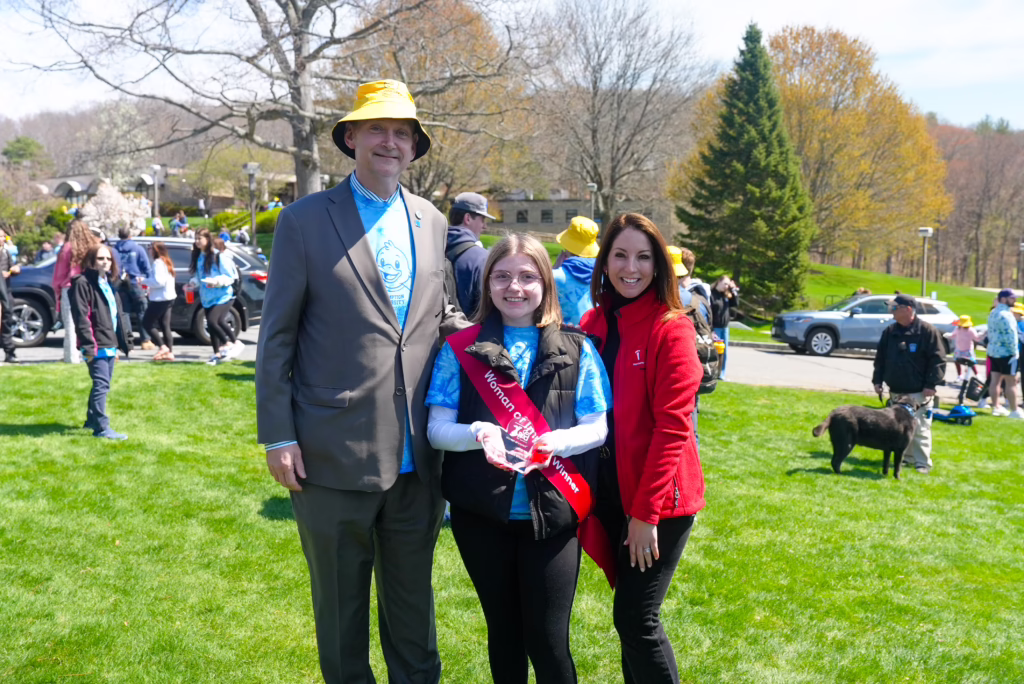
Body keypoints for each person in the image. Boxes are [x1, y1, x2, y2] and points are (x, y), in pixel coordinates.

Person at [255, 78, 467, 684]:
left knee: (413, 612)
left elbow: (443, 315)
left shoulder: (431, 219)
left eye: (403, 133)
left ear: (414, 146)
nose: (390, 143)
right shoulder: (303, 221)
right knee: (343, 618)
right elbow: (278, 339)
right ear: (351, 137)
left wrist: (500, 339)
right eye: (378, 129)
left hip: (418, 459)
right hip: (330, 454)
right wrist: (278, 437)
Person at [426, 234, 610, 684]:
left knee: (548, 642)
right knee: (504, 635)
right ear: (488, 285)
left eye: (528, 277)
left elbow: (598, 427)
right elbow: (436, 430)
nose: (515, 287)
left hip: (553, 517)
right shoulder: (460, 348)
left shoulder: (578, 348)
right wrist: (479, 432)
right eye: (503, 276)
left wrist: (559, 443)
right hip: (482, 516)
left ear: (546, 284)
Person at [580, 213, 705, 684]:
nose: (630, 267)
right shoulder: (592, 322)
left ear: (659, 266)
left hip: (658, 503)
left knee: (637, 619)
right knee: (629, 621)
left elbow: (673, 429)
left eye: (643, 257)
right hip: (609, 493)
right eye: (620, 255)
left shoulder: (671, 329)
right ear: (604, 260)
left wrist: (646, 514)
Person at [871, 294, 946, 473]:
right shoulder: (890, 332)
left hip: (919, 391)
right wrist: (877, 380)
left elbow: (938, 360)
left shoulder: (927, 331)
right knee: (899, 428)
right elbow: (880, 358)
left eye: (895, 308)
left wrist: (931, 384)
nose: (891, 311)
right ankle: (906, 457)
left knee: (920, 427)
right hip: (896, 390)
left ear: (908, 310)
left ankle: (922, 462)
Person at [69, 244, 132, 440]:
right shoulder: (82, 283)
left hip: (109, 341)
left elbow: (116, 315)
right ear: (91, 261)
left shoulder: (108, 283)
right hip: (95, 344)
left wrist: (121, 342)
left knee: (102, 383)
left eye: (108, 259)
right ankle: (102, 428)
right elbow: (82, 317)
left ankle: (91, 421)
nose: (105, 262)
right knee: (101, 384)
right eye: (100, 259)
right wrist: (89, 346)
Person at [189, 229, 242, 365]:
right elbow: (199, 276)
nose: (197, 241)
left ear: (207, 239)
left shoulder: (219, 256)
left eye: (199, 238)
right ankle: (217, 354)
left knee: (213, 321)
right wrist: (193, 283)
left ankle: (230, 343)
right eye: (195, 238)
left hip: (222, 295)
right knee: (212, 327)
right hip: (207, 298)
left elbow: (230, 276)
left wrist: (217, 282)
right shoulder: (199, 257)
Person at [51, 220, 100, 364]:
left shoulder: (67, 248)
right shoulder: (93, 247)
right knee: (89, 321)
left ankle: (71, 357)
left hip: (70, 286)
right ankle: (92, 354)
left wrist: (57, 290)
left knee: (71, 325)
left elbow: (59, 273)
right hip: (90, 286)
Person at [446, 191, 494, 315]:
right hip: (467, 332)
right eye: (482, 219)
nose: (485, 226)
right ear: (467, 218)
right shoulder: (481, 258)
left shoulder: (428, 248)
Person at [551, 216, 599, 326]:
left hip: (564, 337)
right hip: (596, 337)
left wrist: (554, 269)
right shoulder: (604, 274)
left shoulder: (556, 276)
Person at [114, 226, 155, 350]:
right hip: (135, 282)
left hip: (119, 283)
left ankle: (127, 341)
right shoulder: (137, 248)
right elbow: (147, 268)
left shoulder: (114, 250)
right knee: (142, 309)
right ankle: (145, 340)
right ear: (130, 235)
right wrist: (148, 279)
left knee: (123, 312)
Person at [985, 289, 1022, 418]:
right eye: (1012, 298)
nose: (1014, 300)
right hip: (1007, 353)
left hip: (993, 352)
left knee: (995, 380)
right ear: (1004, 299)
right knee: (1011, 382)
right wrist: (1014, 353)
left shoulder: (993, 312)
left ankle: (996, 407)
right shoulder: (1007, 315)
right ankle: (1014, 410)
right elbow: (1011, 336)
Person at [142, 241, 177, 361]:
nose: (149, 250)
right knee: (165, 325)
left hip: (160, 299)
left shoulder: (157, 263)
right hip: (169, 297)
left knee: (147, 323)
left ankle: (163, 347)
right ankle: (170, 352)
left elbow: (159, 282)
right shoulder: (166, 261)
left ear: (155, 250)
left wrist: (143, 281)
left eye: (150, 248)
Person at [710, 275, 738, 380]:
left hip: (725, 328)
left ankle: (721, 373)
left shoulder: (725, 295)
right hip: (715, 328)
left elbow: (735, 303)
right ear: (719, 282)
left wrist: (733, 290)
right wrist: (711, 329)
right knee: (715, 351)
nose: (726, 286)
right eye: (725, 284)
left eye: (728, 284)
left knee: (724, 352)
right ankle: (712, 373)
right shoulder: (712, 295)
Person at [0, 227, 21, 364]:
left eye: (3, 237)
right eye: (1, 237)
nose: (2, 239)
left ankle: (9, 352)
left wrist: (14, 270)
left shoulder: (6, 252)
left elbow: (12, 267)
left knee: (7, 320)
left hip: (5, 292)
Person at [948, 315, 983, 382]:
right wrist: (949, 335)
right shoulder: (958, 329)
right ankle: (960, 375)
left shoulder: (971, 330)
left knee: (971, 362)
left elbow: (977, 338)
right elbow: (953, 335)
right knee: (956, 361)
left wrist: (981, 335)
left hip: (968, 350)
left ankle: (977, 374)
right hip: (959, 349)